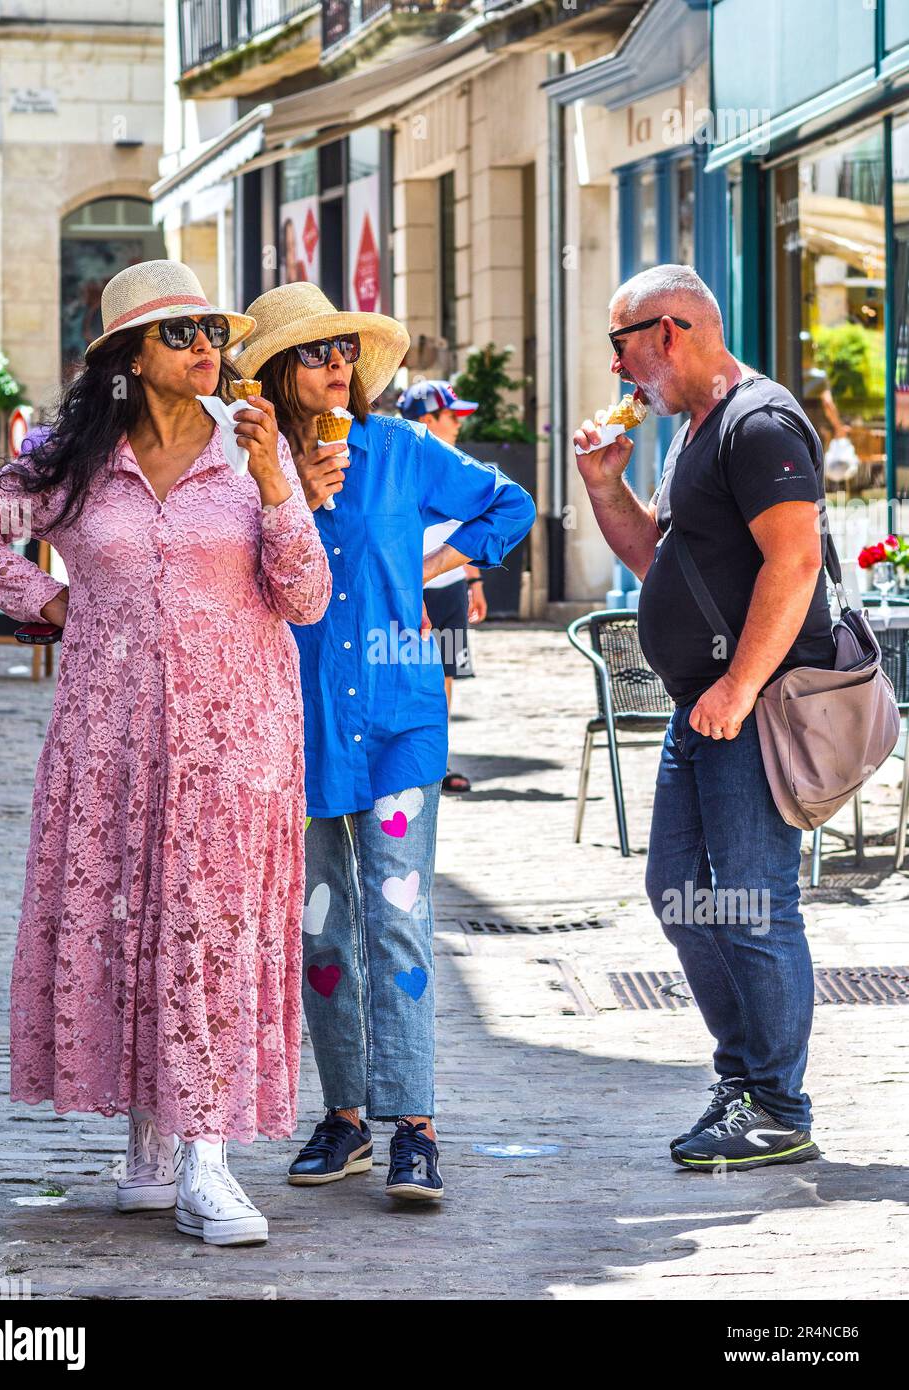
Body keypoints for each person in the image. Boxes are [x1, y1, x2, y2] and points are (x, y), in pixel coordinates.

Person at [0, 260, 332, 1243]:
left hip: (234, 739)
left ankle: (207, 1159)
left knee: (208, 928)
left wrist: (280, 482)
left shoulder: (249, 455)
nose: (209, 347)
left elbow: (308, 596)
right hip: (110, 737)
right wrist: (49, 602)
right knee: (139, 921)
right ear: (126, 357)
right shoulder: (72, 465)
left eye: (211, 331)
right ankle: (152, 1153)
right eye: (183, 332)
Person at [234, 283, 535, 1201]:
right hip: (298, 724)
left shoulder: (400, 451)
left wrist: (434, 564)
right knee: (321, 929)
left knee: (397, 920)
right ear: (282, 371)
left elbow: (508, 505)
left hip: (401, 717)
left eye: (343, 354)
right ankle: (346, 1117)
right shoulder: (245, 467)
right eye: (316, 353)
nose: (335, 368)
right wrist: (283, 500)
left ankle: (416, 1126)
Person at [575, 264, 835, 1171]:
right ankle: (745, 1080)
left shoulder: (758, 422)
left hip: (751, 710)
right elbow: (662, 562)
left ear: (670, 330)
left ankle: (776, 1104)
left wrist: (736, 688)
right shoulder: (695, 429)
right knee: (679, 892)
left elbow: (794, 563)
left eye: (621, 345)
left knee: (753, 904)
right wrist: (606, 488)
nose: (617, 370)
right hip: (707, 713)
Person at [397, 379, 487, 794]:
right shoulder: (397, 462)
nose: (458, 425)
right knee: (399, 672)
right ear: (428, 419)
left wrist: (475, 581)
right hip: (405, 587)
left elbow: (467, 527)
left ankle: (437, 761)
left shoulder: (457, 463)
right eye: (453, 417)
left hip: (449, 586)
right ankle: (401, 760)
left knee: (445, 674)